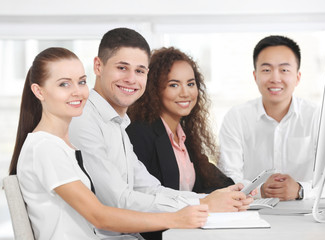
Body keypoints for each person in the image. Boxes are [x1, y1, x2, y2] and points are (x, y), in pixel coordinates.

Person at [8, 47, 210, 240]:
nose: (78, 91)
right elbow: (100, 217)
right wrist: (175, 218)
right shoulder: (45, 147)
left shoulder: (63, 146)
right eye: (64, 84)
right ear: (39, 91)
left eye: (82, 81)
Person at [69, 28, 252, 239]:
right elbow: (118, 200)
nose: (131, 79)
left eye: (139, 71)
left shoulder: (118, 123)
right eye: (122, 68)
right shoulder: (83, 120)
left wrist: (206, 200)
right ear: (98, 66)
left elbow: (149, 188)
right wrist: (202, 203)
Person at [218, 35, 325, 201]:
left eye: (284, 70)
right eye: (266, 70)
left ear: (298, 77)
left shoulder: (318, 117)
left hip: (306, 215)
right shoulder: (236, 118)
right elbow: (228, 178)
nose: (275, 78)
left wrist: (300, 189)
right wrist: (260, 189)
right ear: (255, 76)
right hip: (250, 213)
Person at [126, 47, 234, 195]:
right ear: (154, 90)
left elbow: (216, 182)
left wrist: (250, 190)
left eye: (190, 84)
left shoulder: (185, 136)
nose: (185, 93)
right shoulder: (139, 133)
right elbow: (145, 195)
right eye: (174, 85)